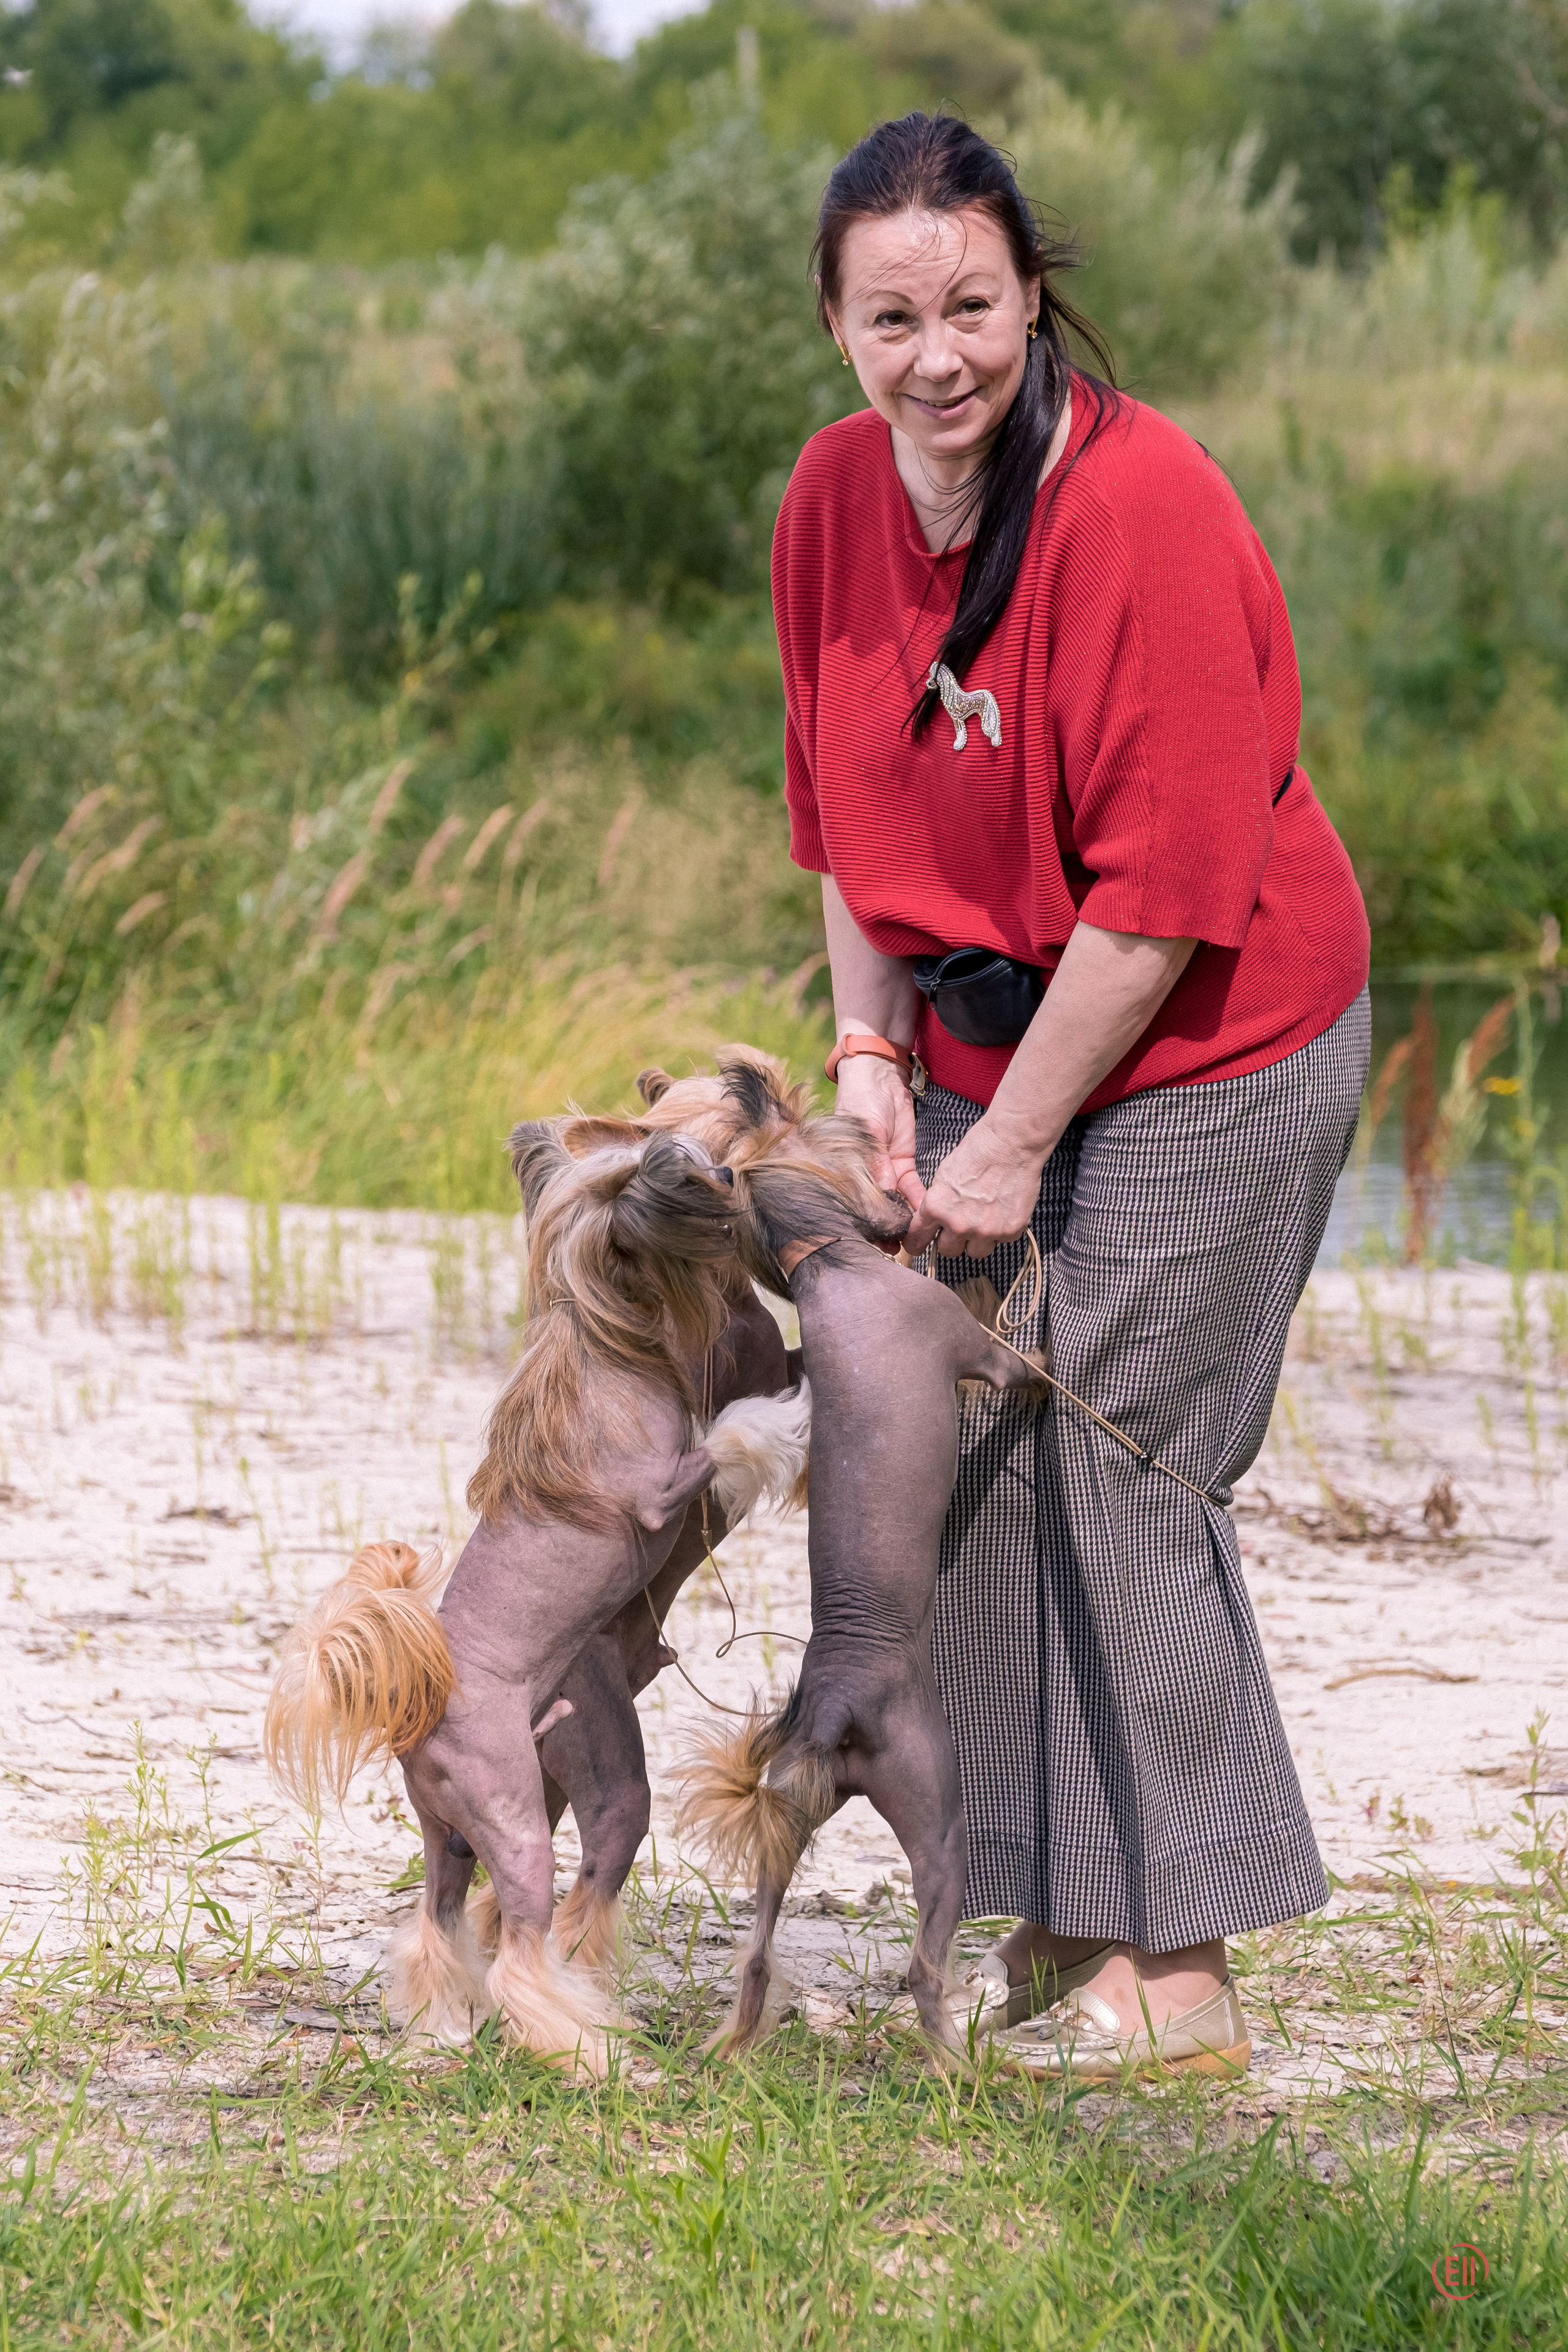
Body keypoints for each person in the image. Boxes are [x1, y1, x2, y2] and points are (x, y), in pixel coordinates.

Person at [772, 112, 1371, 2078]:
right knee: (976, 1461)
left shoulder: (1143, 504)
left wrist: (1015, 1140)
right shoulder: (831, 505)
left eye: (972, 305)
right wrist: (871, 1058)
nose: (937, 356)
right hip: (969, 1034)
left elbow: (1168, 897)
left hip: (1212, 1027)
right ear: (839, 332)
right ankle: (1056, 1933)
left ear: (1033, 294)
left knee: (1116, 1450)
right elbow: (851, 832)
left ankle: (1176, 1980)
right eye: (891, 319)